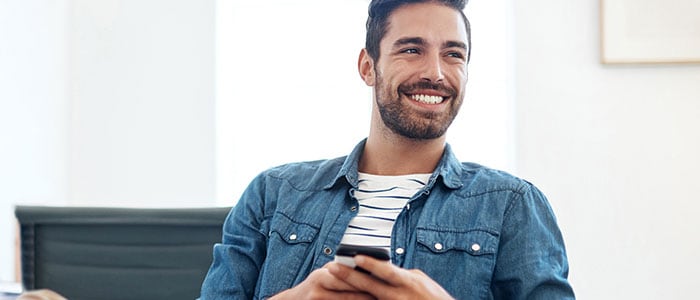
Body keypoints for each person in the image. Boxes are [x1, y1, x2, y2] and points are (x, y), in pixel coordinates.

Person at [200, 0, 574, 299]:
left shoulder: (511, 205)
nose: (436, 74)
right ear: (368, 67)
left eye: (454, 54)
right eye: (412, 50)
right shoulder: (273, 193)